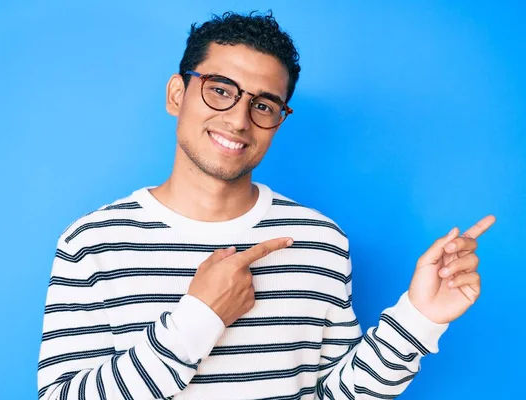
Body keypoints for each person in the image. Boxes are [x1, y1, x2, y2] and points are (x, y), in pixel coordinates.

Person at [37, 11, 495, 400]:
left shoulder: (319, 240)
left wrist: (419, 319)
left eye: (264, 105)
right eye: (220, 89)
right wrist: (195, 322)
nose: (238, 119)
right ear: (177, 93)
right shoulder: (93, 243)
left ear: (278, 119)